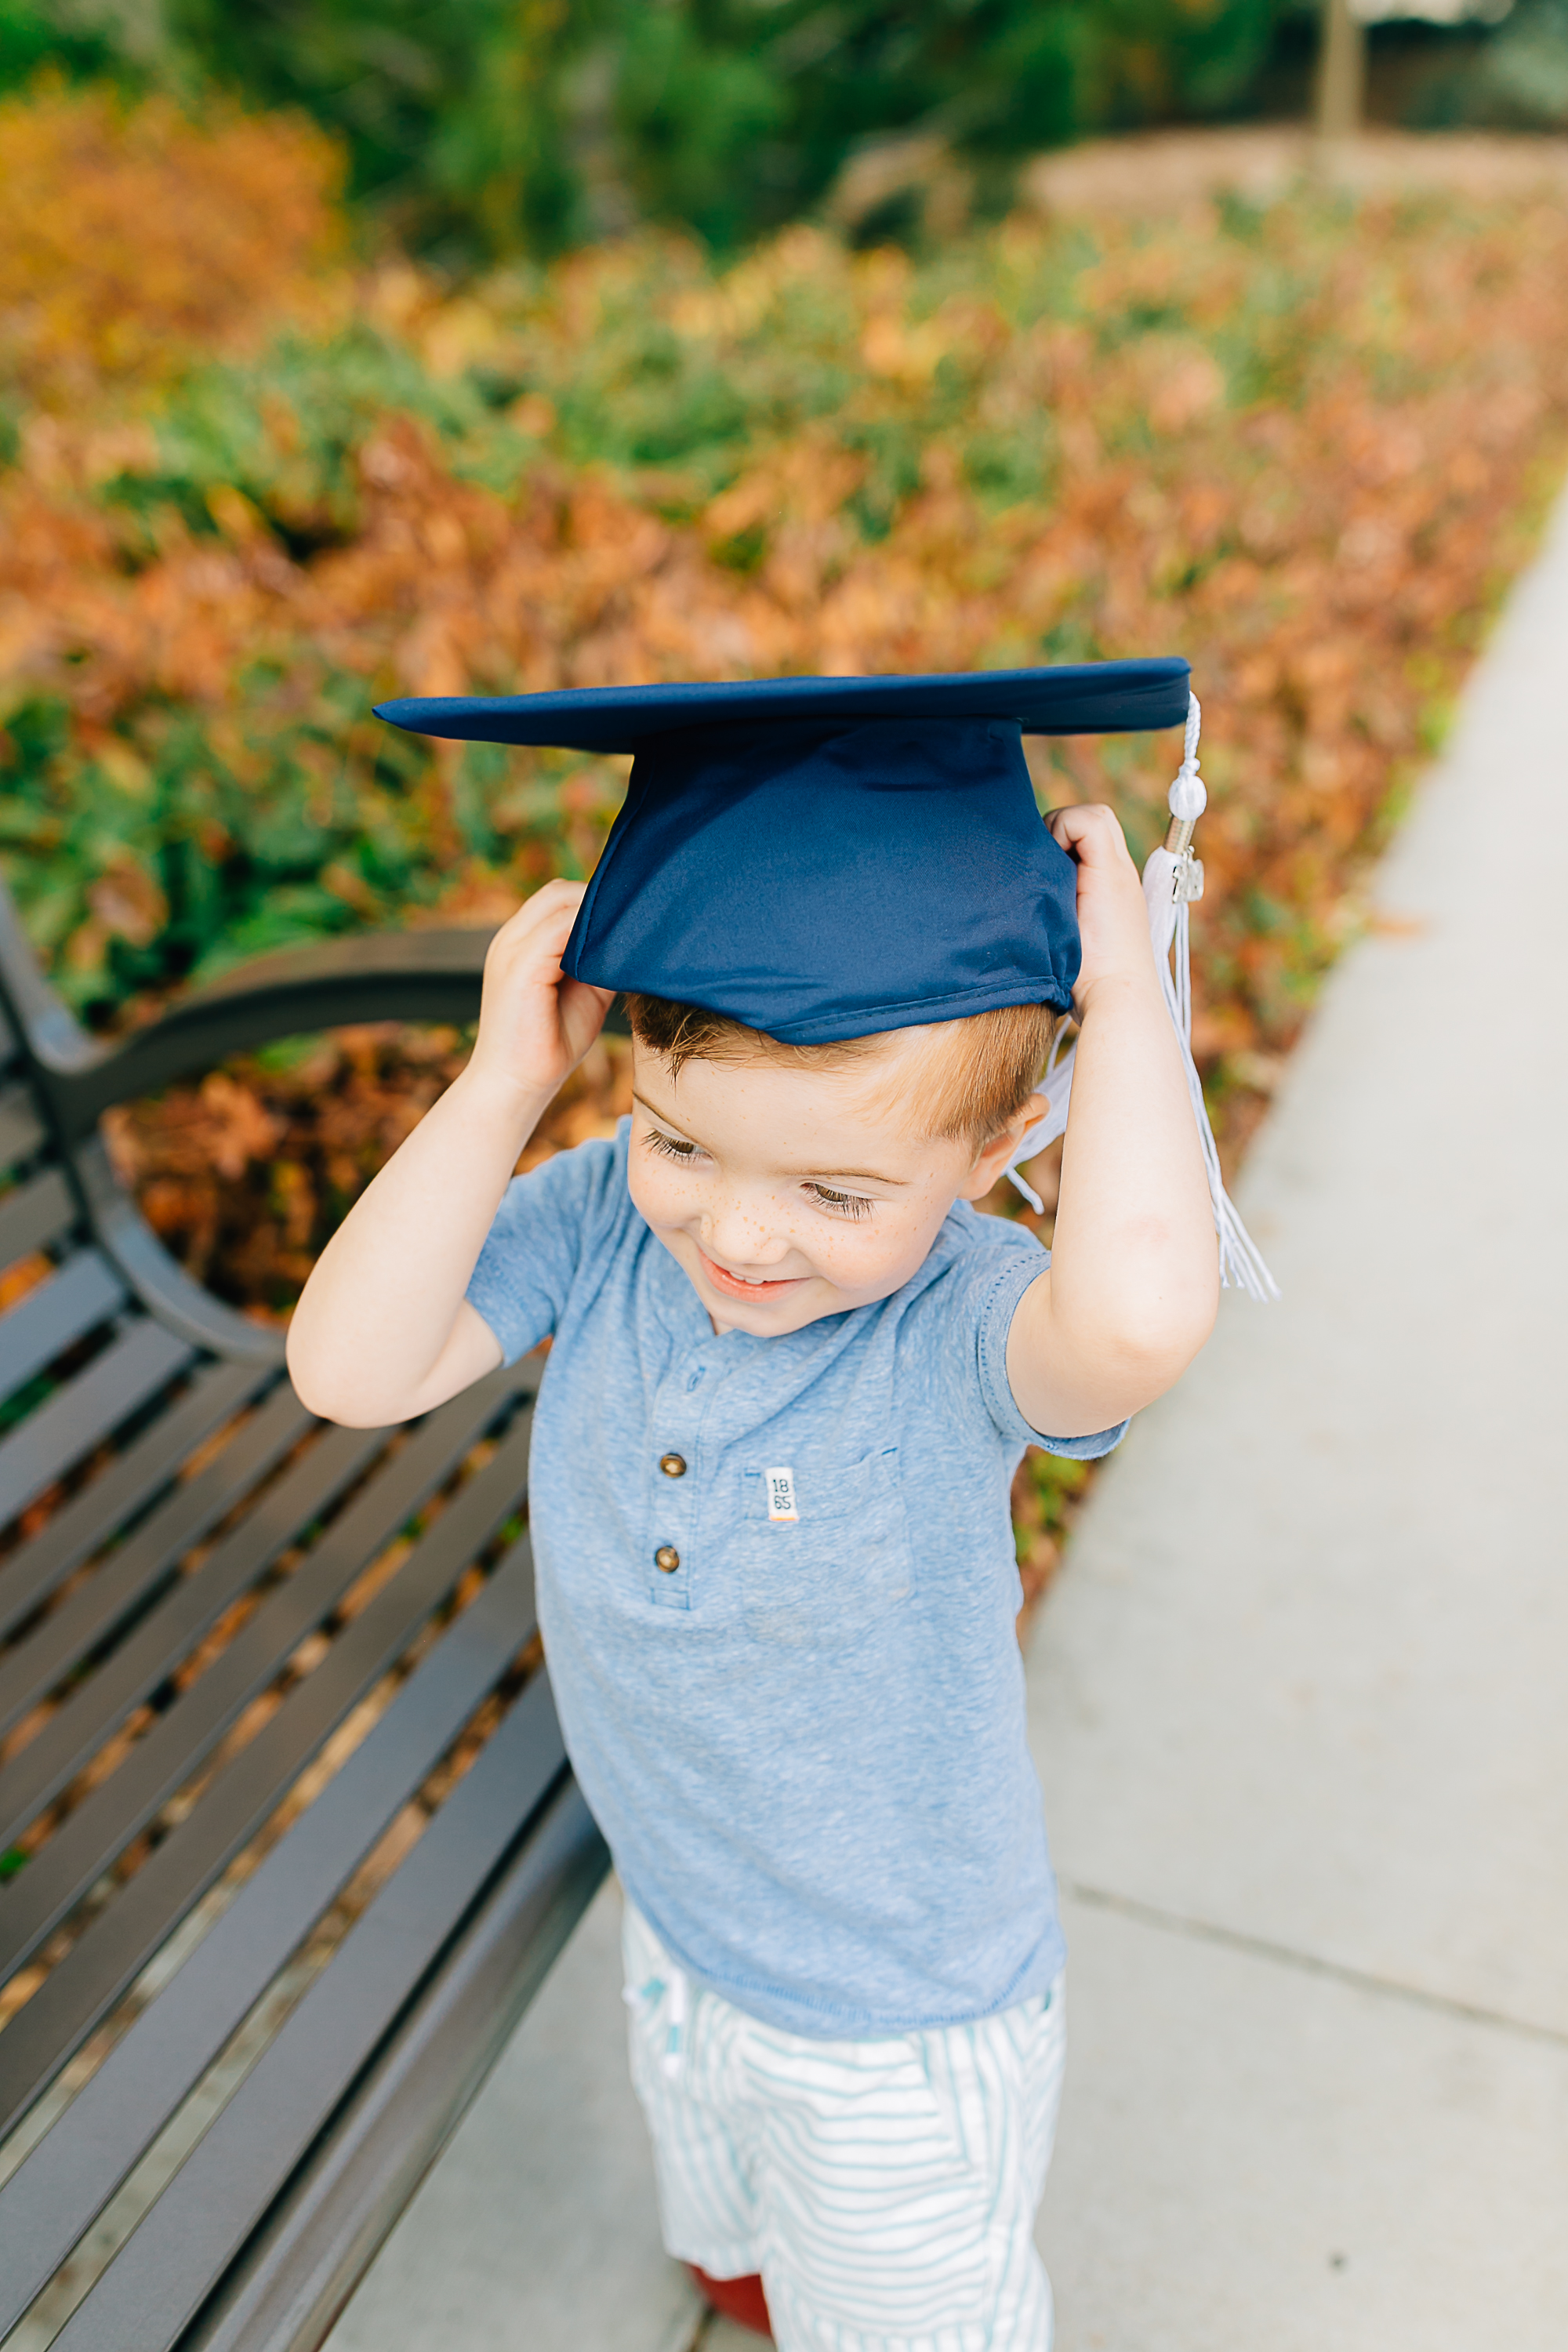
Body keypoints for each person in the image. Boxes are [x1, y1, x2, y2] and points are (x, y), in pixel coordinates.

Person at [287, 666, 1221, 2350]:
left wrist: (1126, 995)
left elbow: (1144, 1319)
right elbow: (357, 1369)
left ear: (1004, 1135)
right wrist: (507, 1082)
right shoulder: (599, 1225)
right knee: (739, 2250)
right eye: (682, 1144)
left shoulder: (960, 1325)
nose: (740, 1235)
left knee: (903, 2313)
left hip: (888, 2013)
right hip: (684, 1921)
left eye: (836, 1190)